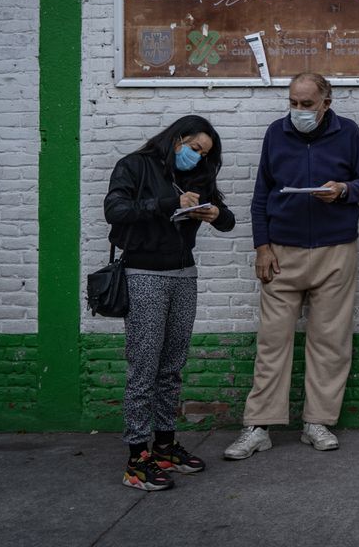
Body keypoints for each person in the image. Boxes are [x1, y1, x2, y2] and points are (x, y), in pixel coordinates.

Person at [224, 72, 359, 460]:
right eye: (293, 102)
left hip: (335, 250)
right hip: (282, 250)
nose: (298, 111)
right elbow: (261, 194)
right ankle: (258, 426)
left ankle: (317, 422)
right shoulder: (276, 133)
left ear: (327, 102)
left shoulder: (348, 133)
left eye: (307, 104)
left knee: (330, 341)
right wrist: (262, 246)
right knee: (272, 341)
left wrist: (343, 190)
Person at [104, 115, 235, 491]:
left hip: (184, 275)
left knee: (172, 367)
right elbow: (115, 211)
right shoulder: (134, 165)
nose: (198, 156)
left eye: (204, 153)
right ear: (176, 139)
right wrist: (168, 202)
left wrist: (214, 214)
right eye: (194, 148)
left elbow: (228, 221)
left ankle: (164, 446)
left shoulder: (199, 176)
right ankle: (136, 458)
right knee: (144, 368)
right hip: (143, 274)